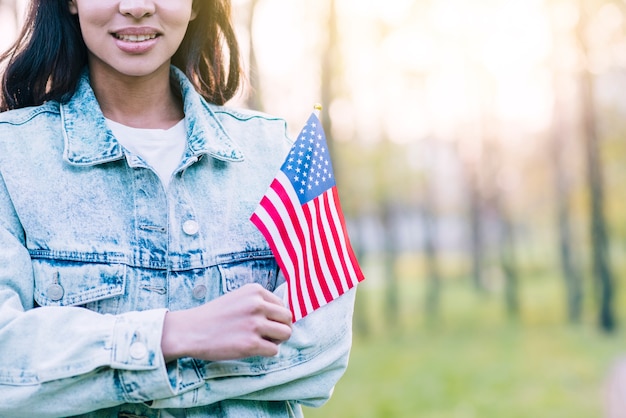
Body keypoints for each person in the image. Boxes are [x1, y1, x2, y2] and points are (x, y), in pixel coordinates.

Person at [0, 0, 356, 417]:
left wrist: (131, 375)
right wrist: (174, 335)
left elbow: (323, 350)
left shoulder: (278, 150)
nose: (135, 7)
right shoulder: (11, 159)